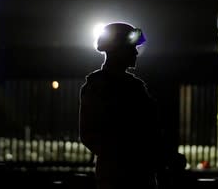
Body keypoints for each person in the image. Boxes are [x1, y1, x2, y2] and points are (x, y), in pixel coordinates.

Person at [78, 22, 185, 189]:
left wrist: (164, 156)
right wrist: (132, 155)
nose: (135, 52)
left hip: (139, 177)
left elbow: (150, 132)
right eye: (130, 48)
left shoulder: (134, 87)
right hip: (117, 180)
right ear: (117, 50)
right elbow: (91, 135)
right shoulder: (98, 87)